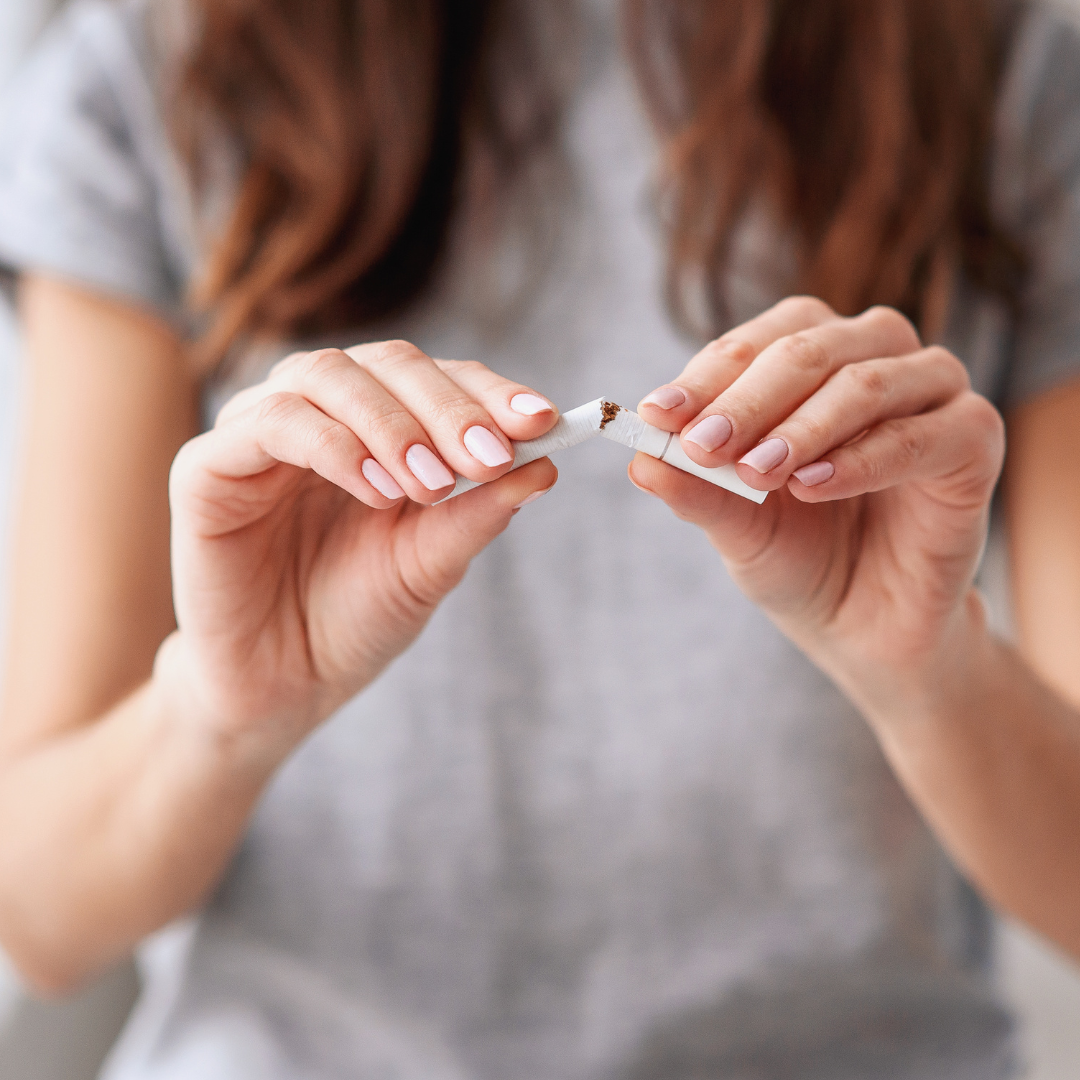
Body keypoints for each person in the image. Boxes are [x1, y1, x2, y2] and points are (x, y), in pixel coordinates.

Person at [0, 0, 1079, 1076]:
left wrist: (931, 674)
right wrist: (219, 715)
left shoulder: (1008, 70)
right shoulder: (162, 64)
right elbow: (36, 910)